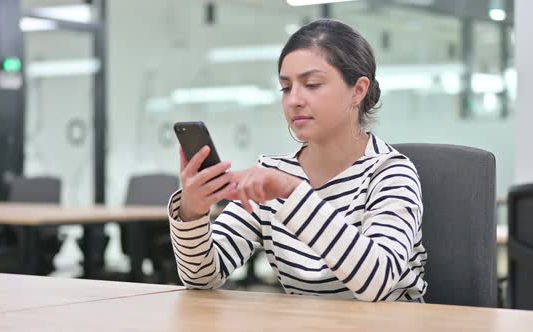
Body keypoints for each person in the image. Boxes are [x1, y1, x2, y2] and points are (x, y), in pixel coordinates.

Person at [167, 19, 427, 302]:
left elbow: (377, 280)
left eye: (312, 84)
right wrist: (192, 213)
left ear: (358, 90)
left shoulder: (390, 172)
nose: (294, 100)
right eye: (286, 88)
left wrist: (293, 192)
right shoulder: (274, 174)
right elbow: (202, 278)